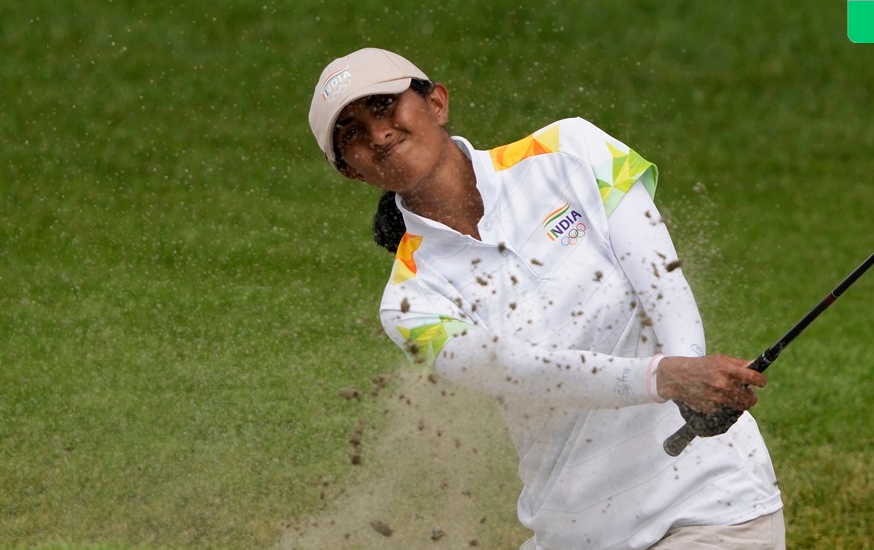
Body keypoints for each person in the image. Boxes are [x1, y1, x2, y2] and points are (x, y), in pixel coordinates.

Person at [308, 48, 786, 549]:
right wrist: (667, 377)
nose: (378, 134)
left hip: (712, 504)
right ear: (351, 172)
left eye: (385, 105)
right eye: (352, 133)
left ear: (437, 103)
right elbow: (520, 369)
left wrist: (693, 376)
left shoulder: (570, 149)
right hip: (575, 531)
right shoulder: (409, 301)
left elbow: (662, 280)